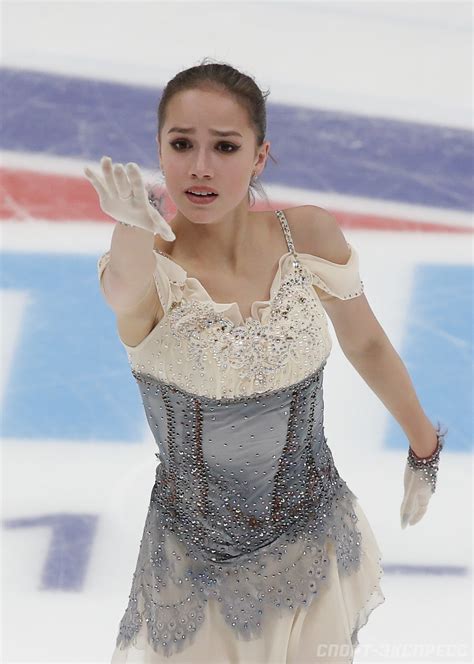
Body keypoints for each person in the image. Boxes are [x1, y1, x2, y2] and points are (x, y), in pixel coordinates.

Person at [85, 59, 448, 664]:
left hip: (314, 546)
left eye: (225, 146)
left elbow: (366, 343)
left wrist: (424, 446)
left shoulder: (307, 237)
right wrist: (128, 229)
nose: (200, 167)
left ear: (259, 156)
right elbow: (122, 291)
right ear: (160, 150)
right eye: (181, 144)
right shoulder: (153, 271)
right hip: (198, 575)